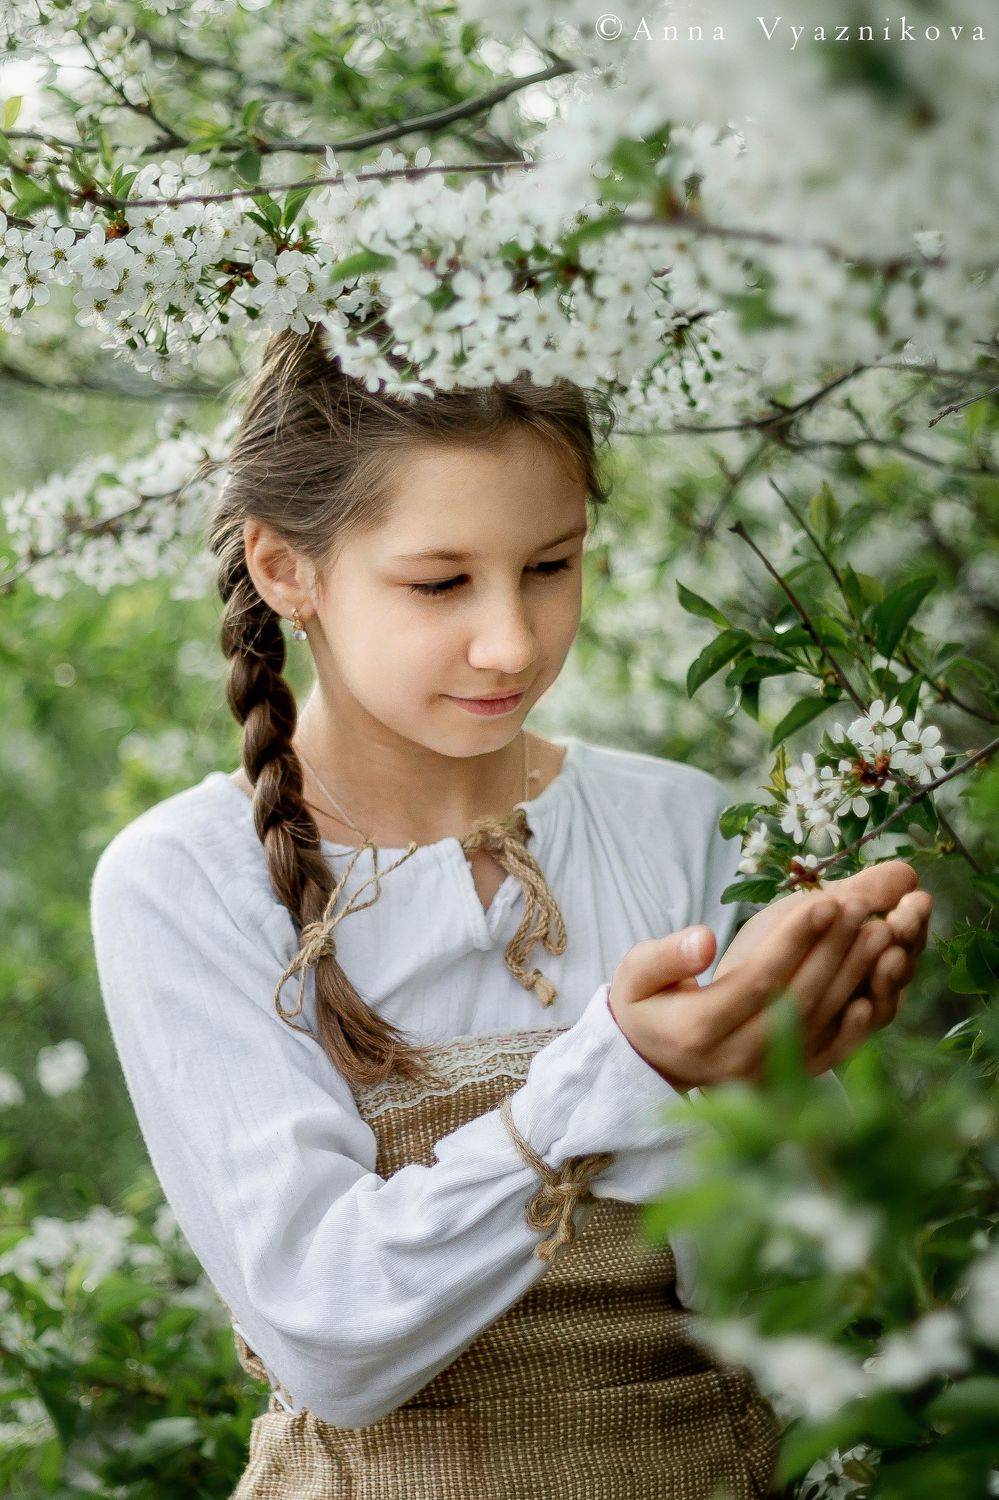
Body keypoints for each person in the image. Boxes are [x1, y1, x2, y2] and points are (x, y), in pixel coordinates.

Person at [89, 324, 931, 1499]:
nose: (514, 642)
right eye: (440, 583)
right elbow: (330, 1335)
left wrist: (772, 1087)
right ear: (286, 569)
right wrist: (624, 1071)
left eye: (550, 566)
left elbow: (794, 1304)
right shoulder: (186, 880)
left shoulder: (678, 825)